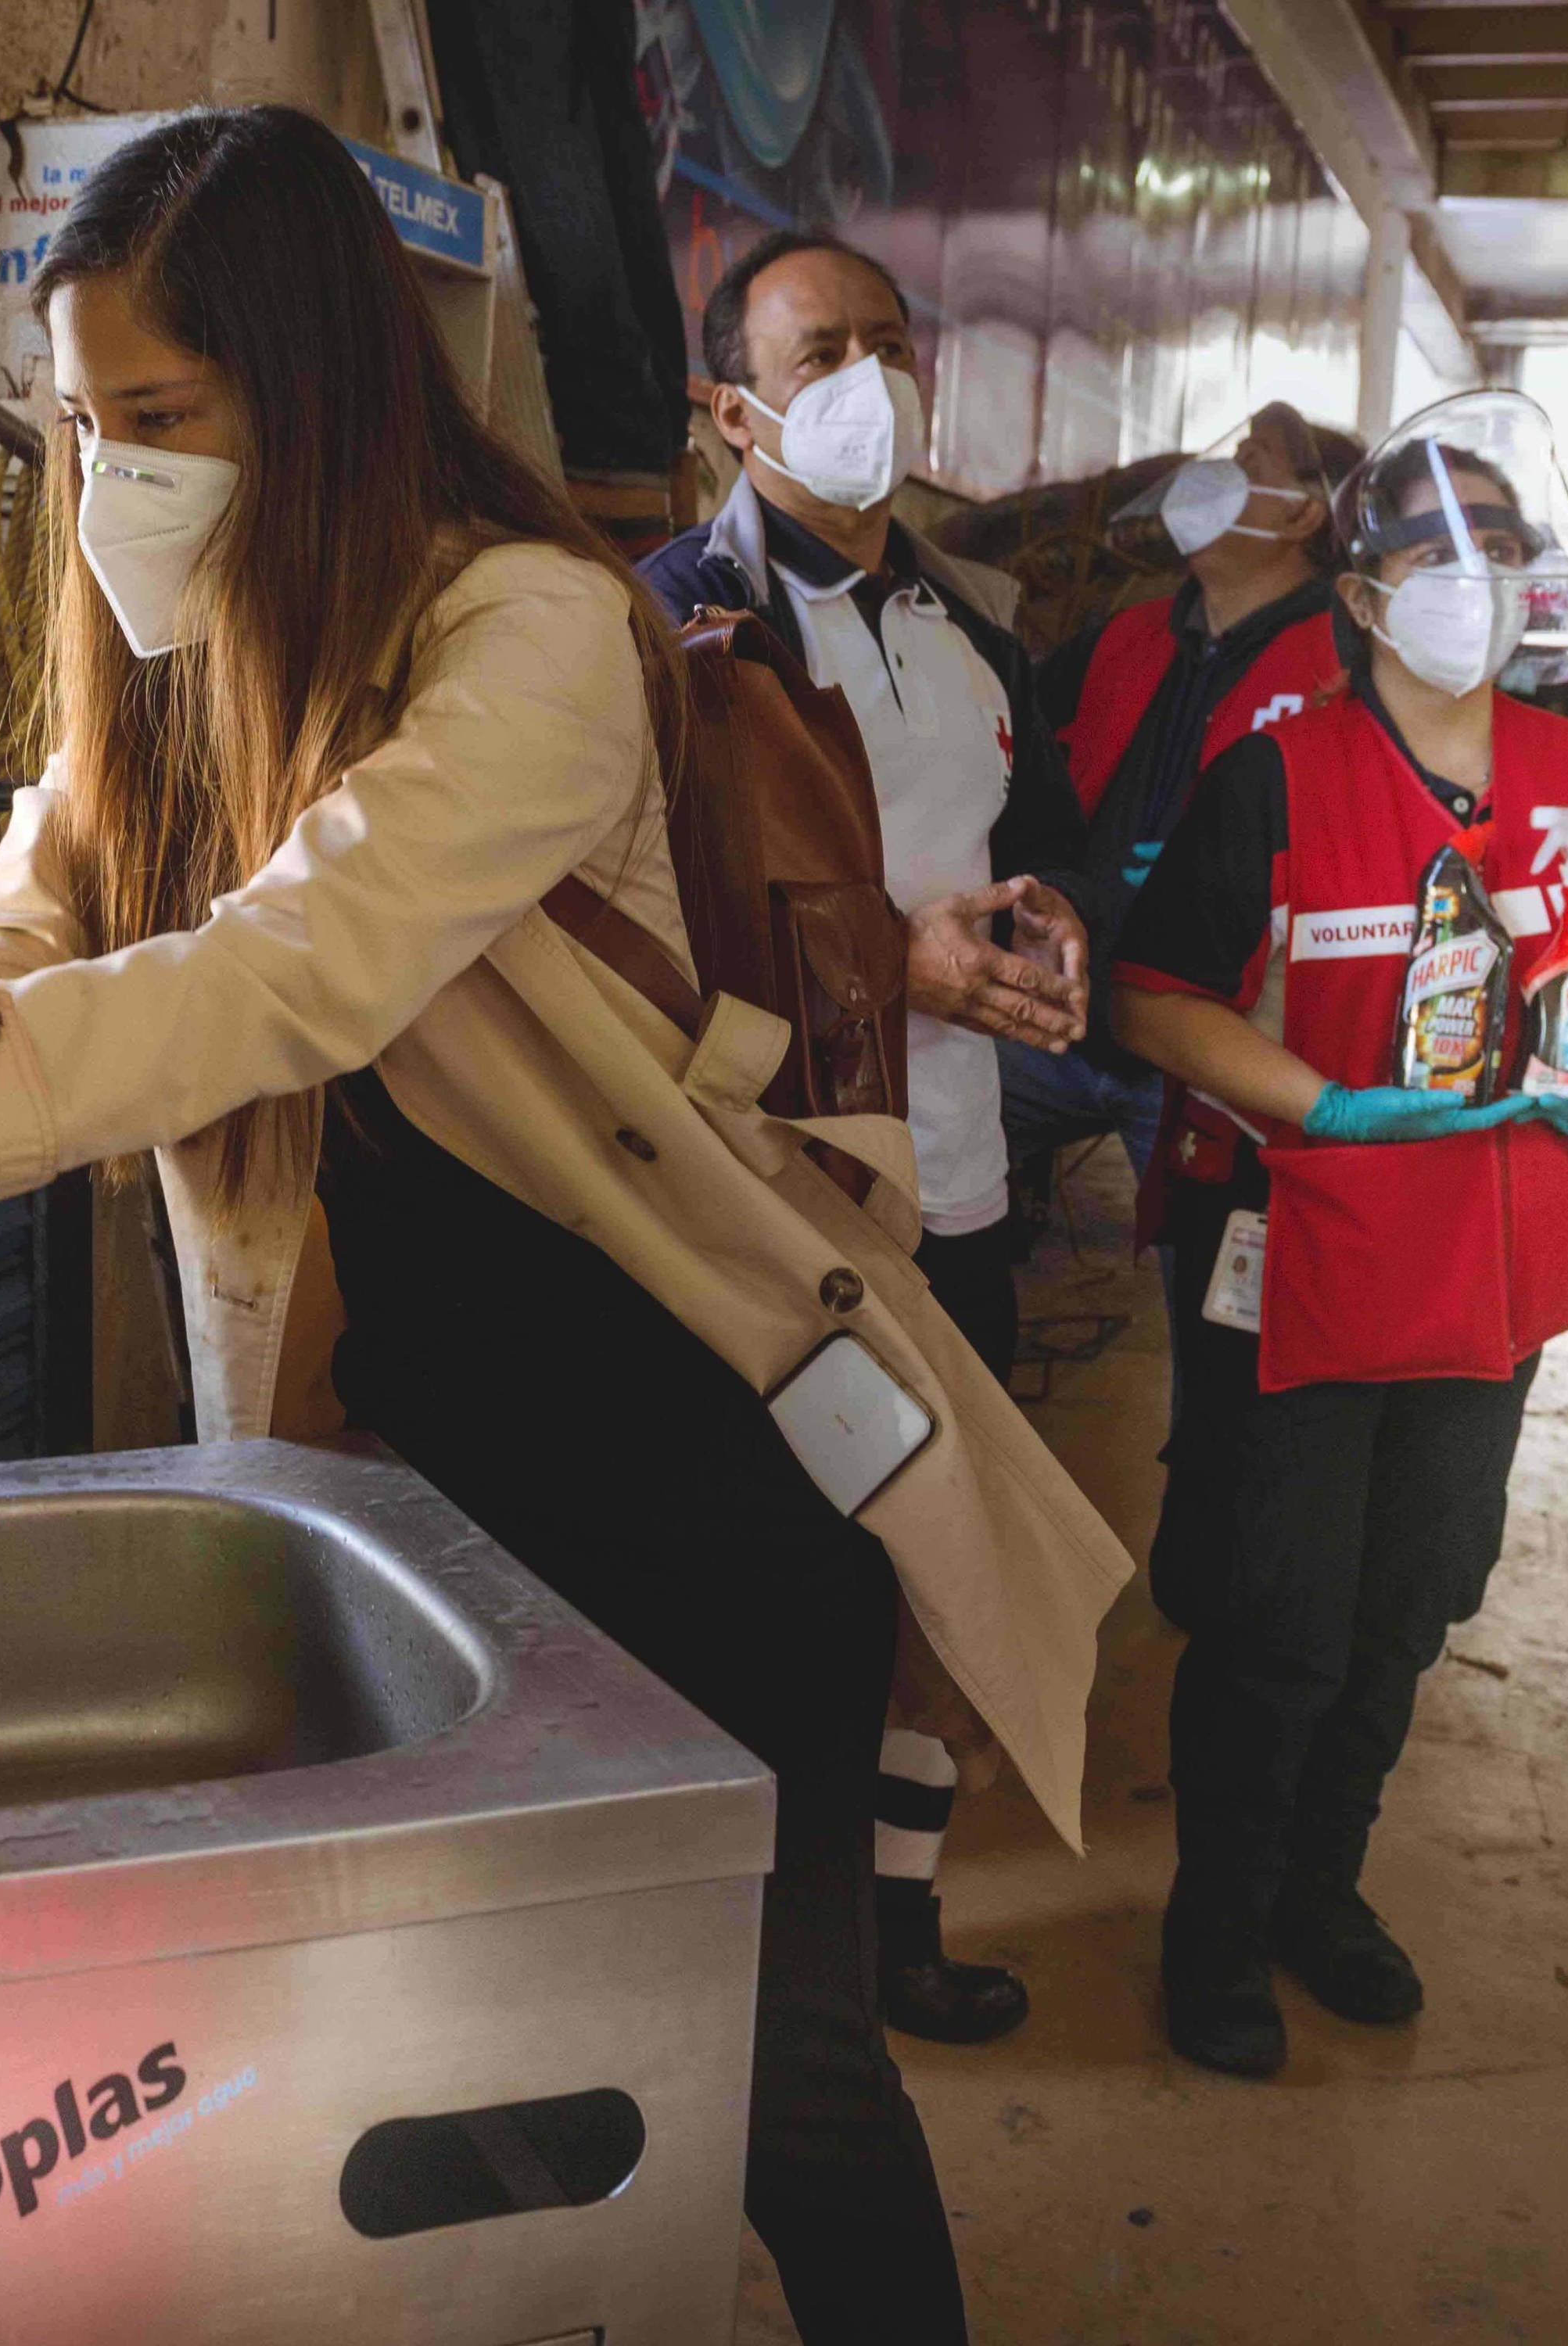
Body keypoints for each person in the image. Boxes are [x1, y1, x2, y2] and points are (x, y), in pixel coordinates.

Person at [0, 106, 1130, 2344]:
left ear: (314, 394)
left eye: (165, 418)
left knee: (771, 2070)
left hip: (688, 1475)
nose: (116, 471)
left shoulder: (531, 638)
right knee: (478, 2071)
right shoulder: (179, 661)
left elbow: (281, 970)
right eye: (87, 421)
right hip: (418, 1505)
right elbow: (11, 949)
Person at [1108, 391, 1568, 2079]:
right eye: (1435, 553)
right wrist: (1326, 1103)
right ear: (1364, 595)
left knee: (1412, 1601)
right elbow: (1155, 997)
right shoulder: (1275, 779)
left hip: (1496, 1273)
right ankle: (1214, 1927)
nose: (1472, 583)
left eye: (1497, 551)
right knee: (1277, 1610)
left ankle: (1320, 1894)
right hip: (1312, 1252)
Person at [641, 228, 1091, 2047]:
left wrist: (1055, 931)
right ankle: (762, 1965)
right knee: (771, 1592)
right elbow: (632, 926)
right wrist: (876, 963)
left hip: (958, 1200)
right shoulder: (666, 629)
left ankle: (890, 1929)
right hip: (761, 1210)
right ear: (730, 401)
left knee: (933, 1591)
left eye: (891, 347)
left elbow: (1033, 846)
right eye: (821, 350)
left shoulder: (973, 630)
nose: (868, 386)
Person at [1021, 404, 1363, 1627]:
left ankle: (1210, 1560)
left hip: (1211, 1054)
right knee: (925, 1147)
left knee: (1223, 1327)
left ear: (1308, 514)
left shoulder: (1346, 655)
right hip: (1070, 1018)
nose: (1210, 478)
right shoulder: (1127, 640)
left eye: (1250, 466)